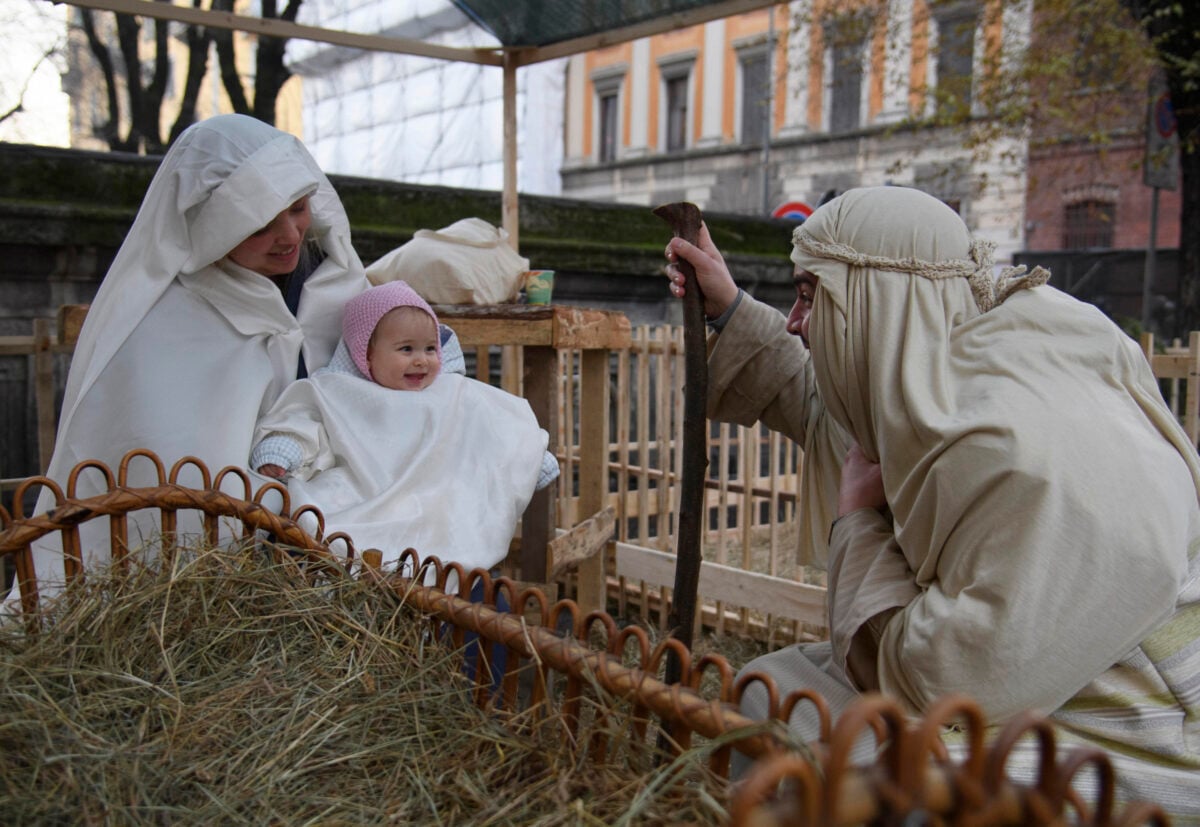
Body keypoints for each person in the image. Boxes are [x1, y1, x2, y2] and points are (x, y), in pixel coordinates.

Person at [665, 186, 1200, 816]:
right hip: (1020, 679)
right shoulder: (955, 364)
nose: (793, 319)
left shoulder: (1011, 449)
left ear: (879, 302)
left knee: (884, 790)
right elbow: (830, 404)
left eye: (811, 294)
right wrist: (729, 306)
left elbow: (949, 683)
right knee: (763, 693)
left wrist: (859, 518)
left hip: (1131, 720)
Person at [6, 114, 369, 608]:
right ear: (212, 228)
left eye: (299, 208)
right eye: (260, 225)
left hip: (330, 539)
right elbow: (159, 470)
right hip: (202, 583)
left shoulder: (331, 284)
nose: (289, 235)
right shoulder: (160, 321)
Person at [250, 279, 557, 575]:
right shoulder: (340, 392)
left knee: (450, 518)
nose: (422, 361)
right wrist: (284, 450)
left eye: (430, 349)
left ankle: (435, 582)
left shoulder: (450, 392)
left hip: (434, 496)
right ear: (366, 354)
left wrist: (529, 458)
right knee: (330, 516)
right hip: (363, 490)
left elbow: (494, 428)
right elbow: (307, 422)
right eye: (406, 349)